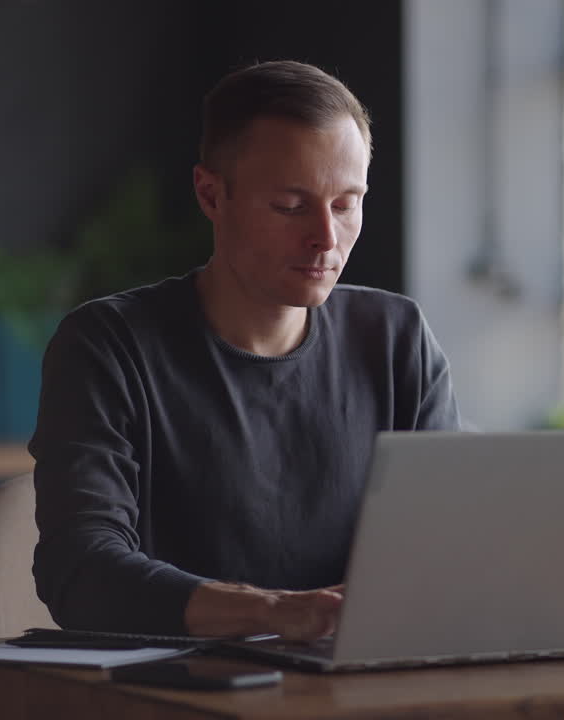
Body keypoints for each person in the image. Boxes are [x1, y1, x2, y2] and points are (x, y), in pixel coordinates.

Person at [29, 60, 461, 642]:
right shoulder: (109, 345)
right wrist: (273, 613)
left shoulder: (395, 337)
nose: (325, 238)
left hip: (361, 670)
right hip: (183, 677)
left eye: (345, 204)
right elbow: (80, 571)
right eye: (290, 206)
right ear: (211, 194)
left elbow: (447, 545)